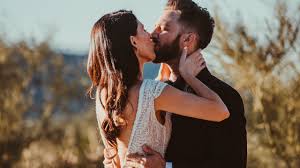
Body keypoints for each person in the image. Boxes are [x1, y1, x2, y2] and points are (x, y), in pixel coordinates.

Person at [106, 0, 247, 167]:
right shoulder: (151, 91)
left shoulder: (225, 97)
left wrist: (167, 167)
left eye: (164, 29)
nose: (152, 34)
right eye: (155, 26)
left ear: (187, 39)